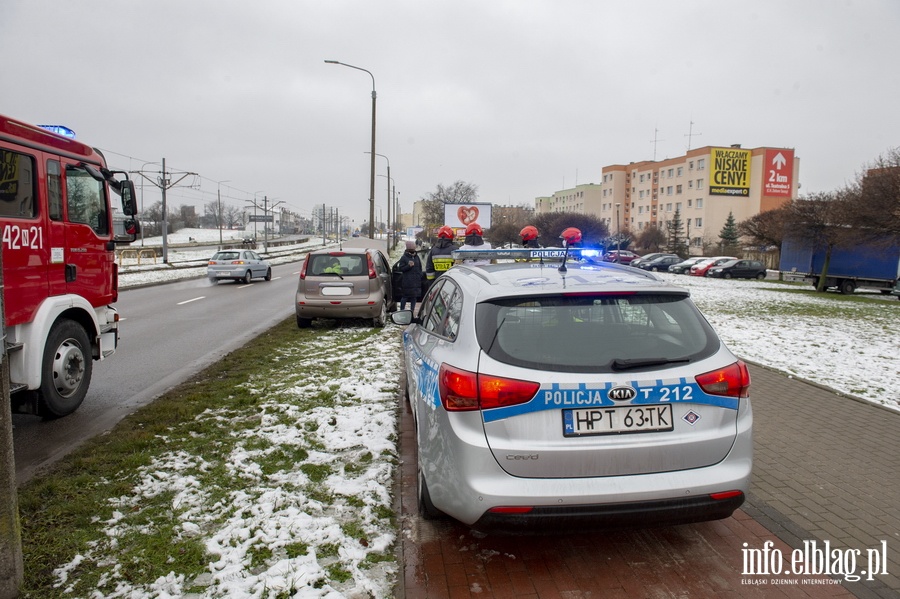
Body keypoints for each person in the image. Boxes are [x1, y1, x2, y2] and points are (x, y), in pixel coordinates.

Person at [397, 241, 423, 313]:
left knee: (414, 297)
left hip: (416, 281)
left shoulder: (417, 257)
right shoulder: (404, 257)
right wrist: (408, 266)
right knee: (405, 296)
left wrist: (420, 275)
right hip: (407, 281)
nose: (413, 249)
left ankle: (412, 311)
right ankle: (402, 311)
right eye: (412, 247)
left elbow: (420, 267)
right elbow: (401, 269)